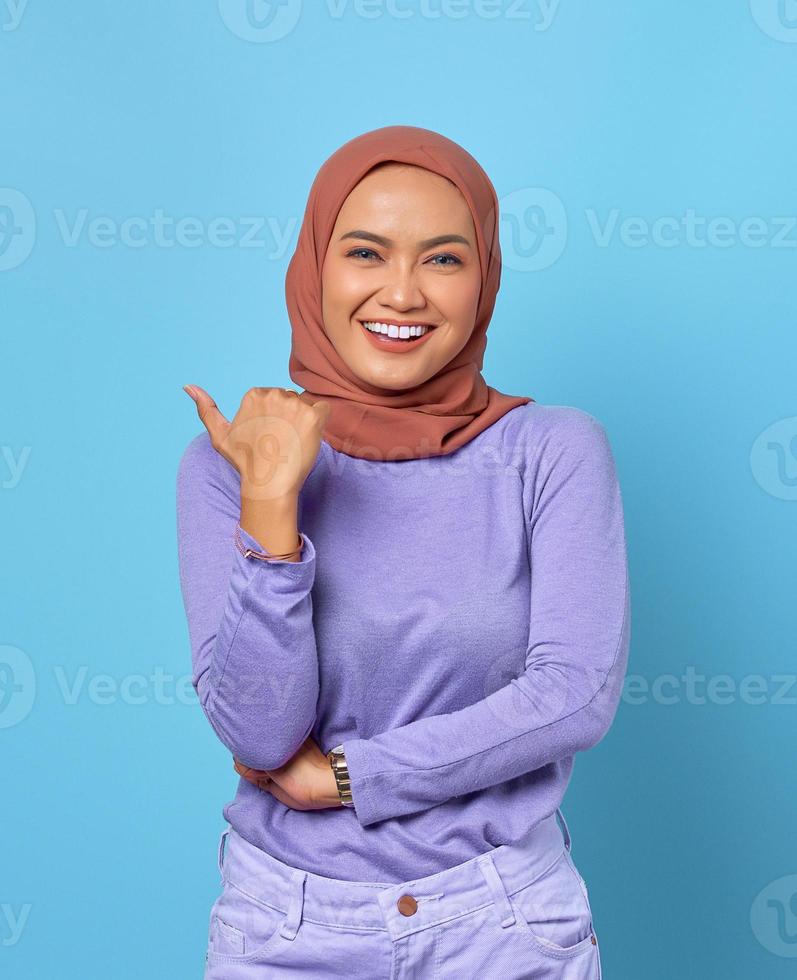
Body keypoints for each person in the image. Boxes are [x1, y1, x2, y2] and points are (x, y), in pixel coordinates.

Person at [176, 125, 629, 978]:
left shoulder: (552, 450)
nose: (403, 292)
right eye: (365, 253)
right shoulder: (229, 464)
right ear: (316, 267)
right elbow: (260, 735)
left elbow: (574, 695)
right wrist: (271, 506)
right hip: (285, 928)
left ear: (484, 277)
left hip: (502, 925)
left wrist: (352, 777)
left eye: (444, 259)